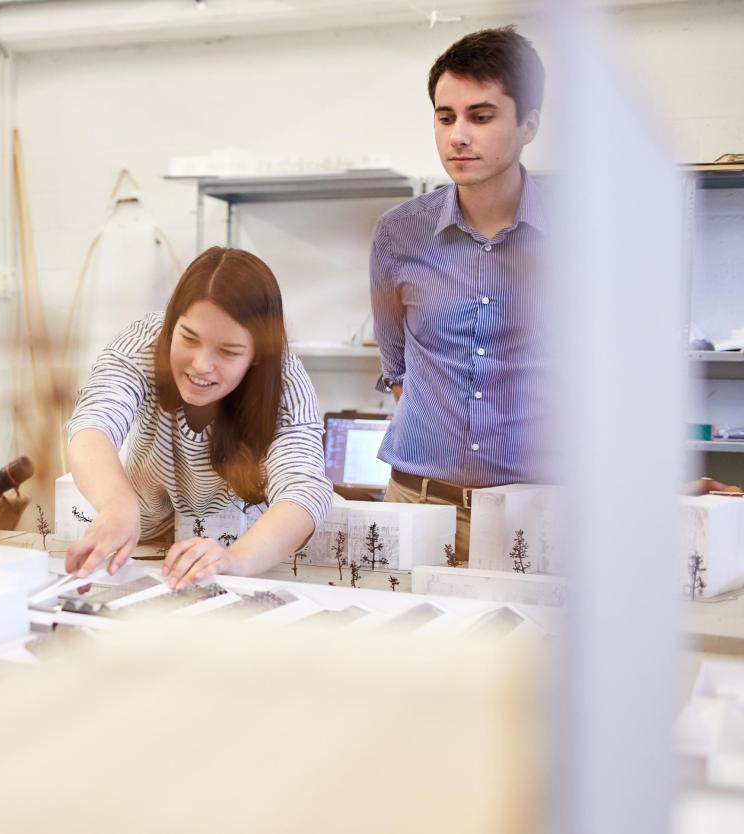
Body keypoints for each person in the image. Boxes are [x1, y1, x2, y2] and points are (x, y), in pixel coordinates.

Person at [369, 26, 547, 562]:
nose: (458, 136)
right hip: (418, 505)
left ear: (528, 125)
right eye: (446, 118)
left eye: (481, 116)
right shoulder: (398, 233)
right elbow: (398, 369)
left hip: (535, 514)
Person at [64, 246, 332, 591]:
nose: (201, 365)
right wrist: (117, 507)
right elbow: (92, 424)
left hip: (238, 549)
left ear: (257, 354)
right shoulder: (143, 345)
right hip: (138, 538)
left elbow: (304, 488)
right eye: (189, 338)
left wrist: (235, 559)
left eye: (228, 352)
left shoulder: (285, 383)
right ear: (172, 323)